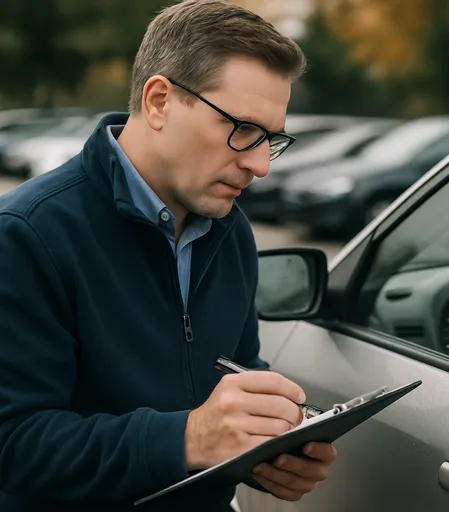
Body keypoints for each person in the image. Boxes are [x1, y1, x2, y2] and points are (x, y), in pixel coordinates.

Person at [0, 1, 337, 510]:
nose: (260, 165)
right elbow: (14, 446)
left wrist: (268, 453)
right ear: (159, 101)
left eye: (271, 138)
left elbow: (235, 375)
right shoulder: (27, 234)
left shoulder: (232, 232)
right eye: (242, 129)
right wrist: (188, 439)